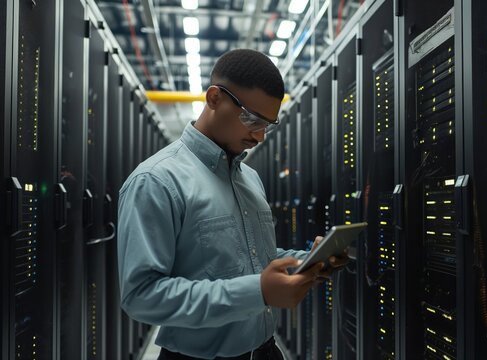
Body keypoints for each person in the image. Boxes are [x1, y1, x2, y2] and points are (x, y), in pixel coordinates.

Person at [117, 49, 348, 360]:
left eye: (268, 124)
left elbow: (253, 258)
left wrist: (307, 261)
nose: (260, 136)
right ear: (214, 98)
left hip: (266, 352)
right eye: (252, 119)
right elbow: (141, 296)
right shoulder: (157, 181)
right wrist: (259, 292)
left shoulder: (250, 178)